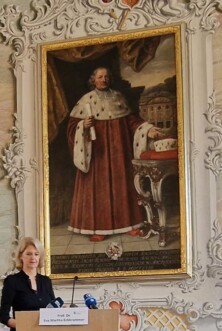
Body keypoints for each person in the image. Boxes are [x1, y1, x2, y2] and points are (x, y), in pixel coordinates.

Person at [66, 66, 163, 242]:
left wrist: (147, 130)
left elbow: (131, 121)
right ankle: (98, 228)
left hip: (119, 153)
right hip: (97, 155)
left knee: (123, 186)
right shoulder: (85, 100)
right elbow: (72, 127)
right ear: (93, 80)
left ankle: (130, 224)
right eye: (100, 77)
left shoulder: (118, 97)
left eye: (106, 76)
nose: (104, 80)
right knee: (98, 189)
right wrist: (83, 126)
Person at [0, 237, 56, 331]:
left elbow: (53, 310)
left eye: (36, 254)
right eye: (28, 254)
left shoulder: (46, 282)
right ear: (20, 256)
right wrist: (24, 325)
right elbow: (3, 316)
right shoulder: (12, 281)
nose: (33, 258)